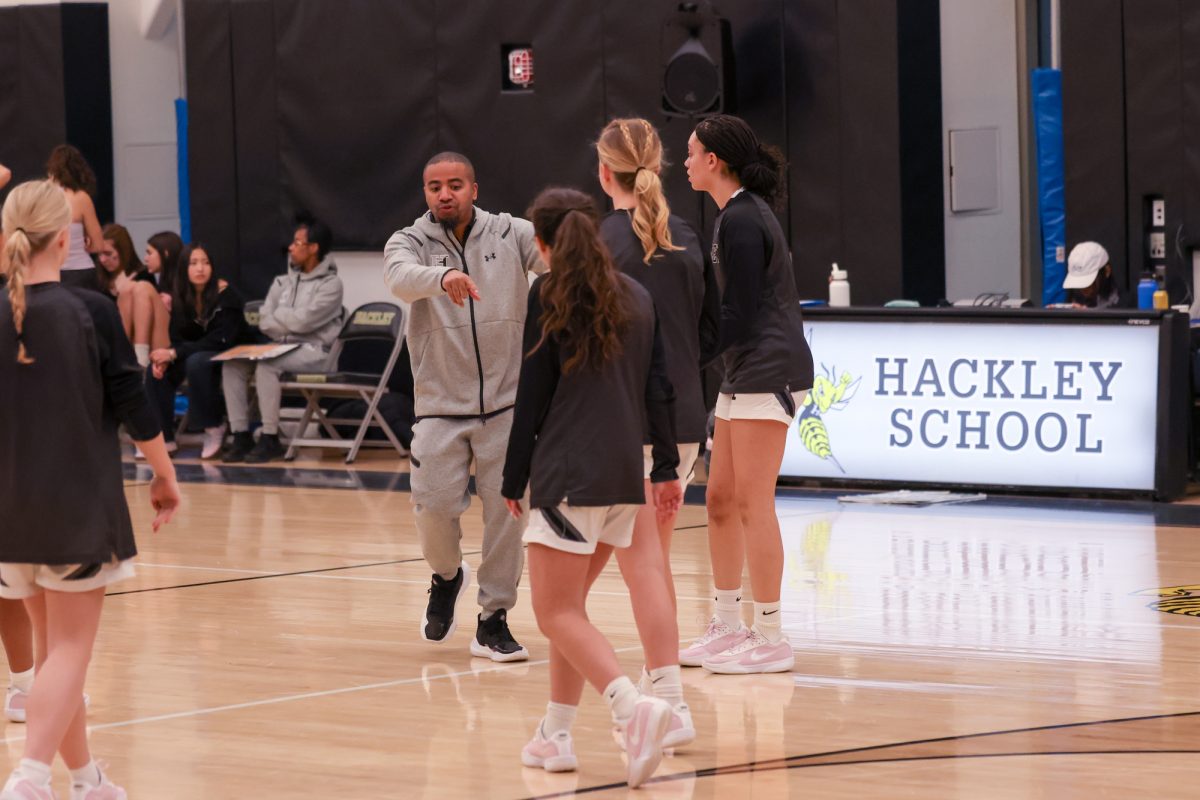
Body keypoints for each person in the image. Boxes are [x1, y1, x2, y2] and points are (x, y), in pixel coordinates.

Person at [520, 118, 716, 766]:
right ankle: (566, 728)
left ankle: (657, 710)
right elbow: (712, 334)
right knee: (627, 575)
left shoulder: (597, 247)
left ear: (604, 174)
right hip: (680, 421)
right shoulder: (686, 234)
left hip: (614, 429)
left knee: (568, 599)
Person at [0, 179, 180, 800]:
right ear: (65, 237)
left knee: (53, 654)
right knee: (73, 651)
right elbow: (135, 404)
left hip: (8, 512)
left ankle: (85, 781)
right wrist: (165, 473)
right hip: (74, 507)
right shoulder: (91, 309)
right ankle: (26, 780)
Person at [501, 187, 683, 788]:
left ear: (544, 241)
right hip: (622, 478)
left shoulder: (548, 293)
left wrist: (512, 476)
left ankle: (635, 710)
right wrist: (661, 469)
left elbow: (533, 394)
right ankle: (555, 735)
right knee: (571, 611)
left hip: (570, 474)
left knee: (552, 611)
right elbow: (661, 390)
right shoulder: (637, 294)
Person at [382, 152, 540, 661]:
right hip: (438, 408)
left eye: (454, 184)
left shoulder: (511, 233)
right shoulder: (408, 241)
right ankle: (447, 576)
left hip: (509, 404)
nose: (444, 193)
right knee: (433, 510)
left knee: (506, 519)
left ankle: (493, 619)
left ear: (474, 187)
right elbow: (400, 277)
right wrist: (442, 278)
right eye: (434, 187)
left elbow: (560, 256)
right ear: (425, 193)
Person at [681, 114, 814, 674]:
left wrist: (686, 359)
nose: (684, 162)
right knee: (719, 501)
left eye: (690, 153)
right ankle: (727, 621)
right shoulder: (731, 216)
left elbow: (738, 315)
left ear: (714, 160)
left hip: (769, 368)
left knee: (754, 503)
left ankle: (771, 633)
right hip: (742, 370)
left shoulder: (740, 220)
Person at [222, 217, 343, 463]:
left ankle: (270, 437)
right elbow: (264, 321)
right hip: (278, 346)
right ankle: (240, 434)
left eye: (298, 242)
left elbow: (304, 322)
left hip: (316, 352)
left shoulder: (331, 284)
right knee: (232, 364)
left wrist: (281, 317)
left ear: (313, 248)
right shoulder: (281, 281)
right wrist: (285, 320)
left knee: (268, 364)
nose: (291, 247)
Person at [149, 243, 245, 458]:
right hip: (195, 352)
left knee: (196, 362)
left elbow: (221, 339)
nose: (200, 269)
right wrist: (167, 356)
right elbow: (178, 339)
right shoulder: (182, 297)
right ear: (184, 268)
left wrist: (175, 353)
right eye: (193, 263)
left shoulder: (226, 294)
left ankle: (213, 426)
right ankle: (164, 437)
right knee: (155, 370)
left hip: (230, 352)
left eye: (205, 262)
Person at [97, 223, 170, 370]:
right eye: (99, 254)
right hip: (116, 343)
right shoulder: (99, 280)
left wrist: (124, 291)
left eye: (108, 254)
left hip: (149, 343)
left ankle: (140, 360)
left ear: (123, 251)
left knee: (134, 288)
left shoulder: (143, 274)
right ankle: (129, 361)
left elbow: (151, 319)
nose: (102, 260)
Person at [45, 145, 103, 293]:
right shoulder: (81, 198)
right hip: (80, 270)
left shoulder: (41, 197)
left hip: (49, 272)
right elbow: (98, 245)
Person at [1063, 241, 1128, 309]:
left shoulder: (1127, 303)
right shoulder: (1073, 301)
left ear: (1107, 271)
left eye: (1087, 281)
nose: (1083, 289)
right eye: (1078, 282)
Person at [144, 231, 183, 311]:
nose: (146, 259)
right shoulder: (164, 282)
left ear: (166, 254)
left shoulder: (183, 284)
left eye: (149, 253)